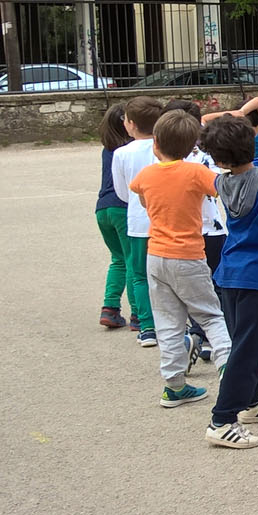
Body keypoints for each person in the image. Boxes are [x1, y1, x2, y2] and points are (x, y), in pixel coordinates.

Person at [127, 110, 234, 408]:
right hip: (188, 254)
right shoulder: (195, 172)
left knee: (168, 322)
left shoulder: (146, 175)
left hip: (156, 254)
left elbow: (143, 199)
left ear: (155, 142)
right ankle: (228, 369)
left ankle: (174, 384)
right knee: (211, 315)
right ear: (191, 147)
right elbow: (221, 189)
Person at [197, 116, 258, 449]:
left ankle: (252, 401)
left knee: (243, 341)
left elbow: (251, 169)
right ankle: (222, 418)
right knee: (247, 350)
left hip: (228, 273)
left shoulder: (221, 181)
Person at [111, 96, 165, 347]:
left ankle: (147, 326)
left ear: (131, 124)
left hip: (138, 220)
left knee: (140, 275)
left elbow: (122, 192)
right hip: (165, 218)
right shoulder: (164, 147)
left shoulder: (122, 153)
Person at [203, 96, 258, 195]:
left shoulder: (239, 140)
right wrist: (242, 111)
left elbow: (204, 119)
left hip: (253, 180)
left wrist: (233, 113)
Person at [96, 103, 134, 330]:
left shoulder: (107, 148)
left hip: (103, 208)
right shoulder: (131, 150)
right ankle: (138, 313)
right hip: (122, 208)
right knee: (133, 261)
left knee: (118, 259)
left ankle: (110, 308)